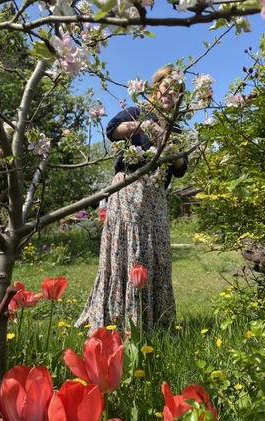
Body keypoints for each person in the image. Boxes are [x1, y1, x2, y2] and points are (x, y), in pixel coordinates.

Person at [75, 65, 188, 333]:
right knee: (128, 251)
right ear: (156, 86)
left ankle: (155, 321)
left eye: (176, 89)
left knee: (158, 254)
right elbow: (112, 129)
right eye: (166, 85)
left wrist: (167, 139)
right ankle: (117, 318)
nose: (170, 92)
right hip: (128, 189)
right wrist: (144, 125)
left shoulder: (176, 130)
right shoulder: (138, 112)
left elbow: (181, 168)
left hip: (156, 196)